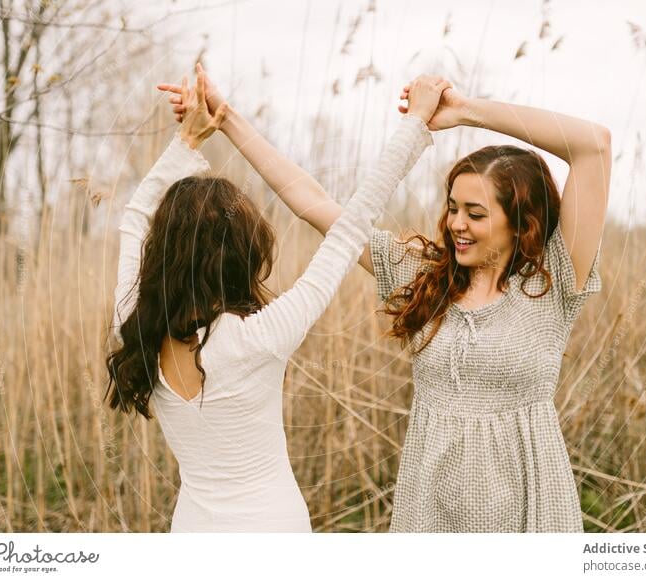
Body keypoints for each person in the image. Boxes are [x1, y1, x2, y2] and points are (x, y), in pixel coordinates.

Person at [160, 72, 612, 532]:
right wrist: (228, 118)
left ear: (522, 222)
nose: (457, 223)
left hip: (530, 512)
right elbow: (310, 201)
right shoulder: (425, 275)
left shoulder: (551, 283)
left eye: (476, 214)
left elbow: (593, 145)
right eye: (453, 207)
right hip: (429, 511)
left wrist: (465, 112)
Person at [105, 64, 447, 532]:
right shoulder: (260, 337)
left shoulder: (134, 323)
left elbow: (134, 217)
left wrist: (188, 141)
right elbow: (350, 228)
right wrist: (415, 125)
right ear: (243, 255)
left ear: (161, 250)